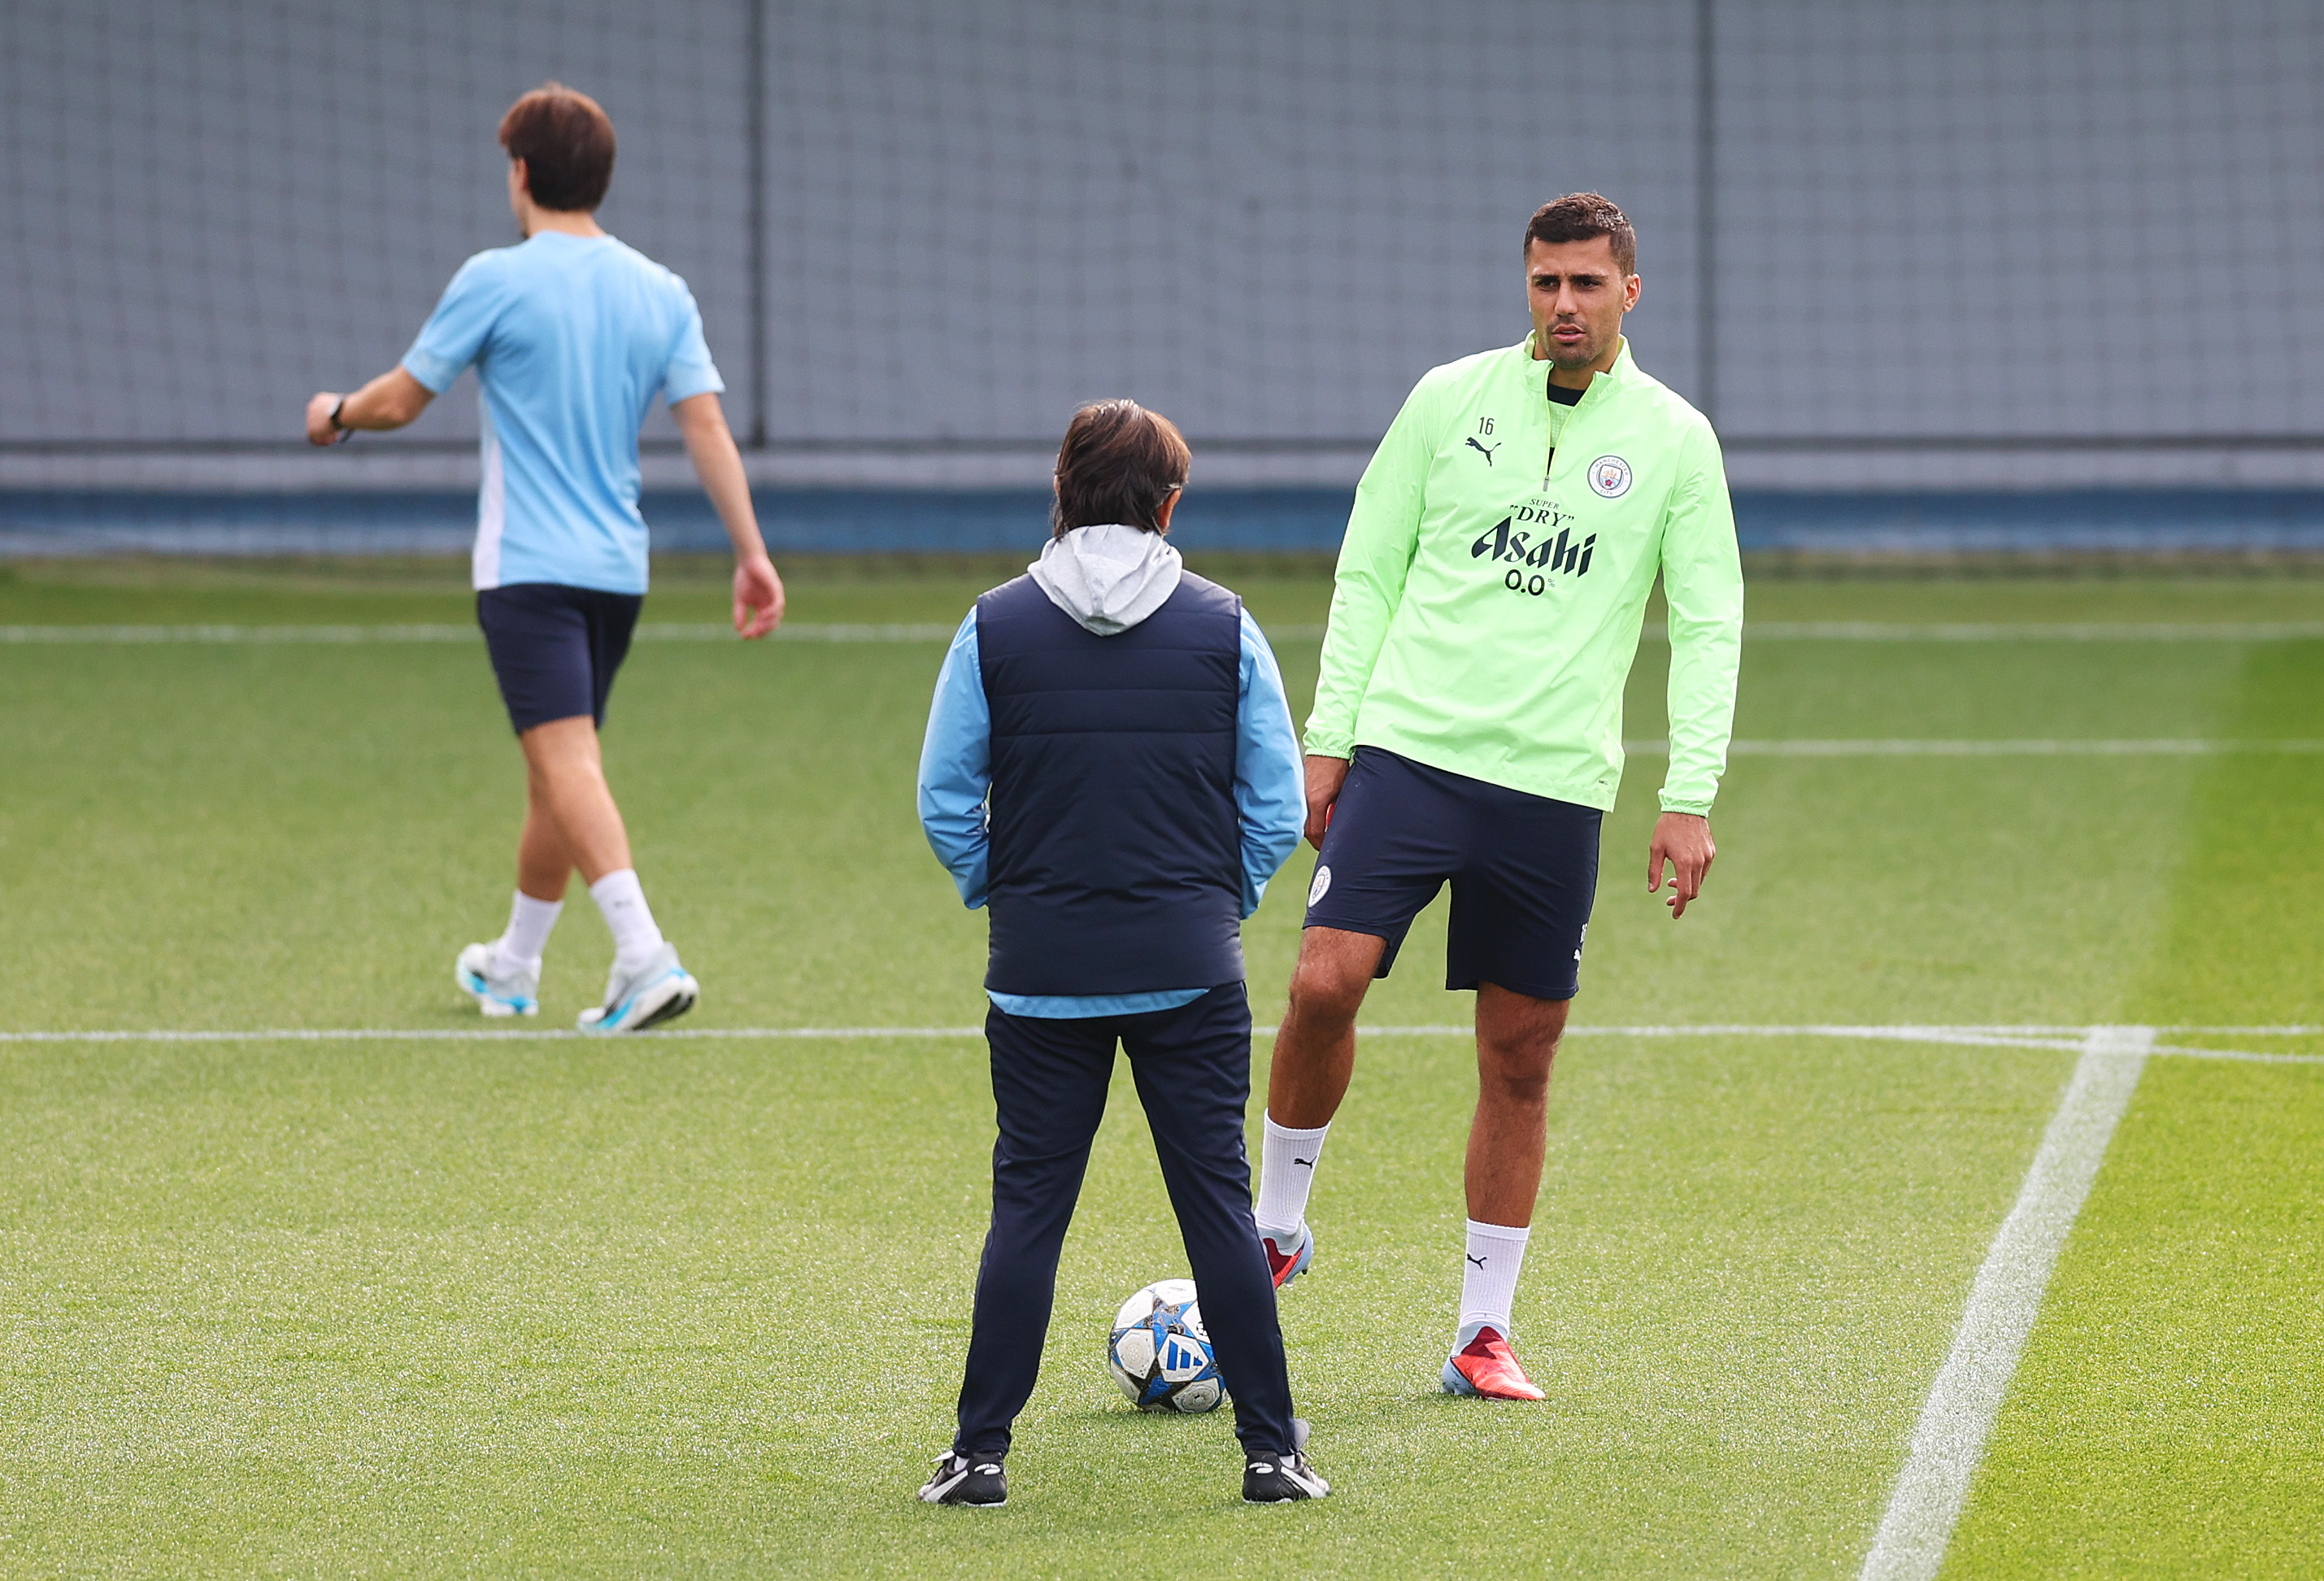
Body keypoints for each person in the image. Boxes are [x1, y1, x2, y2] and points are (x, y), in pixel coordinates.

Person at [1252, 194, 1743, 1400]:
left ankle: (1481, 1331)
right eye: (1543, 284)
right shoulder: (1445, 399)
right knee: (1323, 978)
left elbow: (1710, 619)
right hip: (1409, 756)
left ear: (1630, 291)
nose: (1562, 306)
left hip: (1549, 789)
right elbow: (1368, 568)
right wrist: (1328, 739)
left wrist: (1689, 793)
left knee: (1519, 1058)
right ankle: (1273, 1229)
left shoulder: (1676, 441)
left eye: (1584, 284)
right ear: (1524, 288)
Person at [913, 400, 1327, 1505]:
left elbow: (946, 802)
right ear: (1168, 504)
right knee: (1218, 1210)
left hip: (1040, 975)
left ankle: (978, 1456)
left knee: (1027, 1216)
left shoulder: (991, 625)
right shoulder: (1225, 624)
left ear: (1060, 491)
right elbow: (1276, 806)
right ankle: (1271, 1455)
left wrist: (1007, 892)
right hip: (1190, 969)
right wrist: (1213, 899)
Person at [303, 83, 784, 1033]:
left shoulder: (495, 276)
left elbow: (402, 399)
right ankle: (513, 967)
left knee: (564, 761)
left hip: (525, 570)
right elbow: (707, 426)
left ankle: (643, 957)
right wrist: (752, 553)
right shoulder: (661, 290)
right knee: (555, 770)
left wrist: (336, 416)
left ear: (521, 174)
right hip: (617, 574)